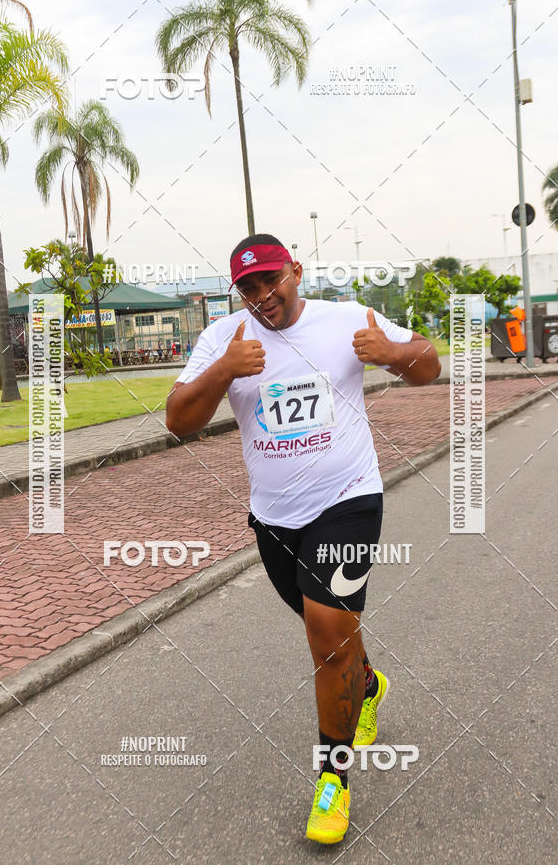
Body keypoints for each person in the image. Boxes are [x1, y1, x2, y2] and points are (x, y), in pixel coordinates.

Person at [166, 234, 440, 844]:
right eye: (249, 287)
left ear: (295, 271)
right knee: (331, 630)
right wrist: (223, 371)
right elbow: (179, 419)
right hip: (273, 520)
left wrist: (392, 350)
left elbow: (429, 364)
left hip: (349, 500)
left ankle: (332, 782)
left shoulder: (345, 318)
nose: (264, 296)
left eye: (272, 280)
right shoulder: (224, 339)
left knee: (326, 631)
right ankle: (367, 683)